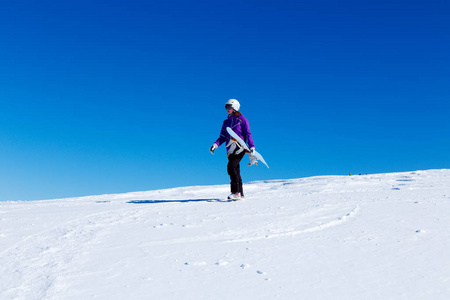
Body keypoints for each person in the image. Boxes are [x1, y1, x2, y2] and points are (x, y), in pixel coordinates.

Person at [210, 99, 256, 201]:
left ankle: (236, 192)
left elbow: (248, 134)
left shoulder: (242, 120)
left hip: (240, 148)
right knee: (235, 170)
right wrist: (215, 145)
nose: (227, 109)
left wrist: (252, 146)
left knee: (231, 167)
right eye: (226, 107)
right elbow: (222, 137)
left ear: (235, 107)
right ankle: (241, 194)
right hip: (230, 150)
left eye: (229, 107)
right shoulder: (226, 122)